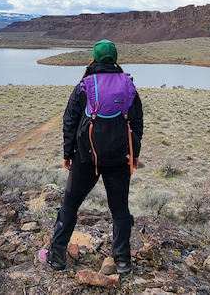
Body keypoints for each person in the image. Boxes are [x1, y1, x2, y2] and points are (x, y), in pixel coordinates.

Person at [39, 40, 144, 274]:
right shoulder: (129, 86)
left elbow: (70, 120)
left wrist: (68, 153)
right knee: (120, 210)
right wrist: (133, 154)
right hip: (119, 160)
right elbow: (136, 123)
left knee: (69, 205)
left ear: (94, 59)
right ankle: (123, 261)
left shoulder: (84, 85)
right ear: (115, 59)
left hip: (86, 159)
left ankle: (56, 257)